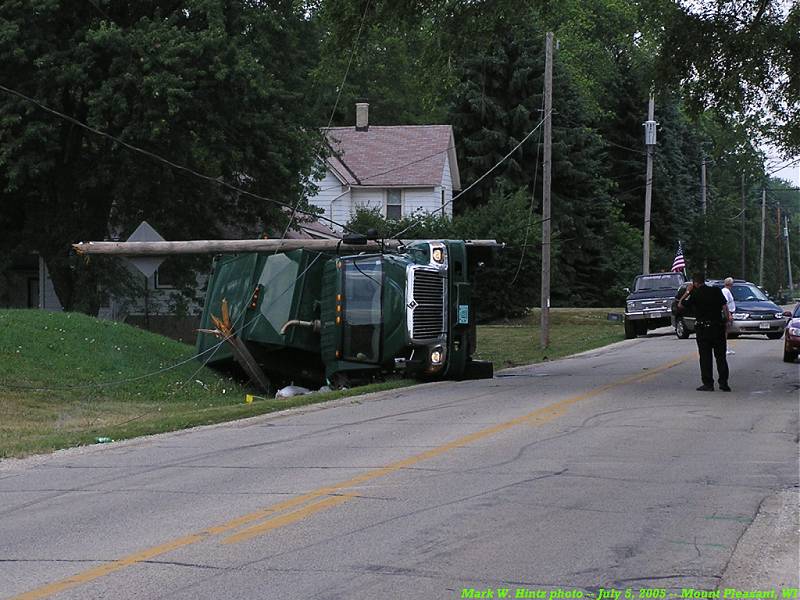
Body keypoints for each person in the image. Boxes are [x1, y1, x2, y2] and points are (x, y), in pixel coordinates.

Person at [679, 273, 731, 391]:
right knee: (721, 357)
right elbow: (724, 307)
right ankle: (724, 383)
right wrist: (727, 320)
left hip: (703, 329)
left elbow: (680, 305)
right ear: (704, 281)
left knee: (705, 357)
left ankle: (708, 383)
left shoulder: (695, 294)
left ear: (695, 283)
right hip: (718, 327)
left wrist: (687, 292)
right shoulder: (716, 291)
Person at [721, 277, 736, 355]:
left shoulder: (725, 291)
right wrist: (729, 315)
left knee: (726, 331)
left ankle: (724, 348)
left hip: (728, 312)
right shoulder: (726, 291)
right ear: (731, 284)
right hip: (727, 313)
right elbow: (725, 303)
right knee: (725, 331)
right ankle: (724, 348)